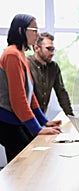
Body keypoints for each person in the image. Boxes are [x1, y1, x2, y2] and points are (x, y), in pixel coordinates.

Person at [0, 14, 62, 163]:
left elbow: (30, 94)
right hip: (5, 120)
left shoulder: (21, 54)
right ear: (21, 30)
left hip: (14, 120)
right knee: (27, 160)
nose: (38, 34)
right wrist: (37, 128)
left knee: (22, 163)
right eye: (34, 29)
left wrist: (44, 121)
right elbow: (18, 98)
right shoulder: (12, 54)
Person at [27, 32, 74, 116]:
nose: (52, 53)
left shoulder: (54, 67)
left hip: (41, 119)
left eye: (53, 49)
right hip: (23, 119)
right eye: (49, 49)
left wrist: (71, 117)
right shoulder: (26, 64)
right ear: (36, 48)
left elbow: (61, 92)